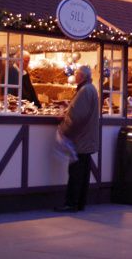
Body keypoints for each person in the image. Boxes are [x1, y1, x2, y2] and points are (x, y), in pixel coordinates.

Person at [55, 65, 99, 212]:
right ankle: (79, 203)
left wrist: (64, 130)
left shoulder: (85, 90)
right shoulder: (89, 89)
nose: (75, 76)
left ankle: (71, 203)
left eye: (77, 74)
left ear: (82, 76)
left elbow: (77, 116)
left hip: (80, 139)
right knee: (83, 172)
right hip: (86, 139)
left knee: (76, 173)